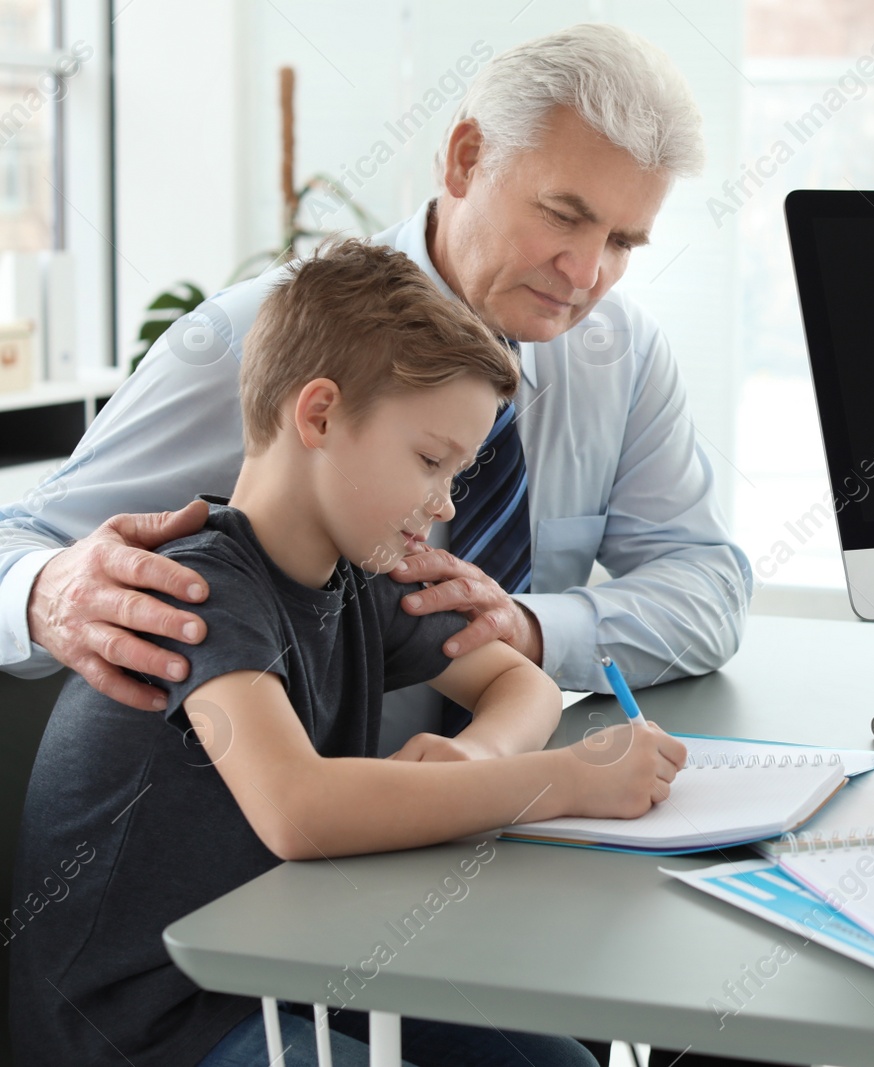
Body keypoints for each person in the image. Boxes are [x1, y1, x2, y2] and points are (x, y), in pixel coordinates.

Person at [9, 240, 688, 1066]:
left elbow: (519, 677)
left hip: (285, 968)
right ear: (320, 415)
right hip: (148, 1021)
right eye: (431, 461)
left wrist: (471, 753)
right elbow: (300, 809)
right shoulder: (200, 591)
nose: (441, 502)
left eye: (457, 475)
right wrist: (569, 779)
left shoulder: (356, 573)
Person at [0, 21, 751, 735]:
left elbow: (708, 587)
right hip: (278, 844)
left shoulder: (619, 353)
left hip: (493, 810)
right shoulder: (253, 337)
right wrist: (46, 594)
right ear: (465, 159)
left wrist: (523, 626)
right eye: (562, 215)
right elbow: (17, 543)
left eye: (621, 241)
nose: (588, 275)